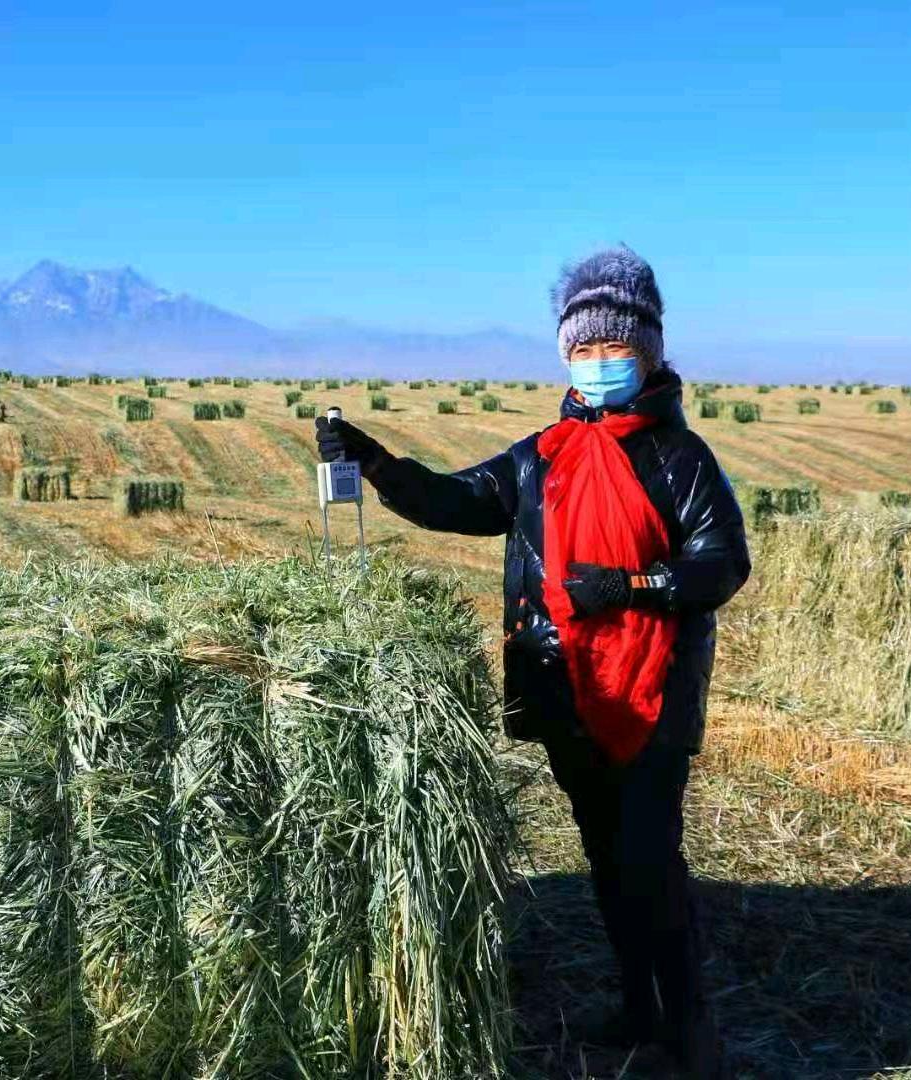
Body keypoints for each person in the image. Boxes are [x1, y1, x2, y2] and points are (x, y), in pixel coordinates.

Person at [315, 245, 750, 1076]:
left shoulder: (680, 460)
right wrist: (374, 461)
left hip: (651, 694)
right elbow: (455, 501)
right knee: (604, 854)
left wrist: (629, 586)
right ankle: (635, 1007)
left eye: (612, 348)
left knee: (652, 860)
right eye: (582, 349)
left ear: (650, 352)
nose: (598, 364)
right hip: (567, 691)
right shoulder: (540, 456)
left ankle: (689, 1031)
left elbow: (721, 565)